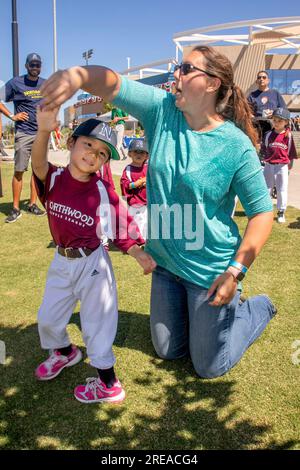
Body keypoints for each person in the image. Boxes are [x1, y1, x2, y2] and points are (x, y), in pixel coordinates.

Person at [40, 45, 277, 379]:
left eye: (185, 68)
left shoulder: (236, 146)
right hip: (165, 265)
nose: (176, 75)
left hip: (210, 270)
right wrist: (77, 75)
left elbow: (262, 213)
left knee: (209, 366)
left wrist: (234, 272)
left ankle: (255, 308)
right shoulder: (161, 110)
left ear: (211, 83)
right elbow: (112, 84)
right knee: (168, 350)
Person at [31, 109, 156, 403]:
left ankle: (108, 382)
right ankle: (64, 352)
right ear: (72, 143)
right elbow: (37, 163)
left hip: (92, 264)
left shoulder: (101, 189)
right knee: (48, 318)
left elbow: (122, 226)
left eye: (102, 153)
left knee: (96, 322)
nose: (93, 155)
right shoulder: (54, 178)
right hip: (61, 261)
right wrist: (44, 132)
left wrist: (139, 254)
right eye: (89, 145)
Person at [3, 53, 46, 223]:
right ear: (26, 66)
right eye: (32, 64)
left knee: (37, 172)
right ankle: (15, 208)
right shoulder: (15, 83)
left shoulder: (45, 83)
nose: (35, 67)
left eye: (38, 64)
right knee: (19, 171)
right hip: (24, 133)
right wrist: (12, 116)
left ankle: (32, 204)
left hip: (41, 134)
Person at [260, 107, 297, 224]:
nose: (276, 122)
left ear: (286, 122)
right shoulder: (268, 135)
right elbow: (263, 150)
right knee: (267, 189)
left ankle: (281, 212)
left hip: (282, 166)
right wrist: (262, 162)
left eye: (280, 120)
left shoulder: (288, 136)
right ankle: (266, 211)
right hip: (269, 165)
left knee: (282, 189)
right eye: (275, 120)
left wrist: (290, 165)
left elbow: (291, 152)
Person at [120, 139, 148, 239]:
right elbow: (125, 184)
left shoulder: (148, 168)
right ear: (130, 154)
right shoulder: (128, 169)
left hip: (148, 201)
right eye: (136, 151)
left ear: (147, 155)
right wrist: (135, 184)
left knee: (146, 223)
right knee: (137, 222)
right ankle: (138, 242)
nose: (139, 154)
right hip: (135, 202)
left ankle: (144, 241)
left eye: (142, 152)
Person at [248, 70, 286, 139]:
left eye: (264, 77)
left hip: (273, 126)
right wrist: (252, 116)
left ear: (268, 80)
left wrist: (274, 113)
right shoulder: (252, 95)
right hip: (257, 127)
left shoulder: (275, 93)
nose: (261, 79)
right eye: (259, 78)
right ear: (257, 81)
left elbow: (283, 109)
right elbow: (246, 110)